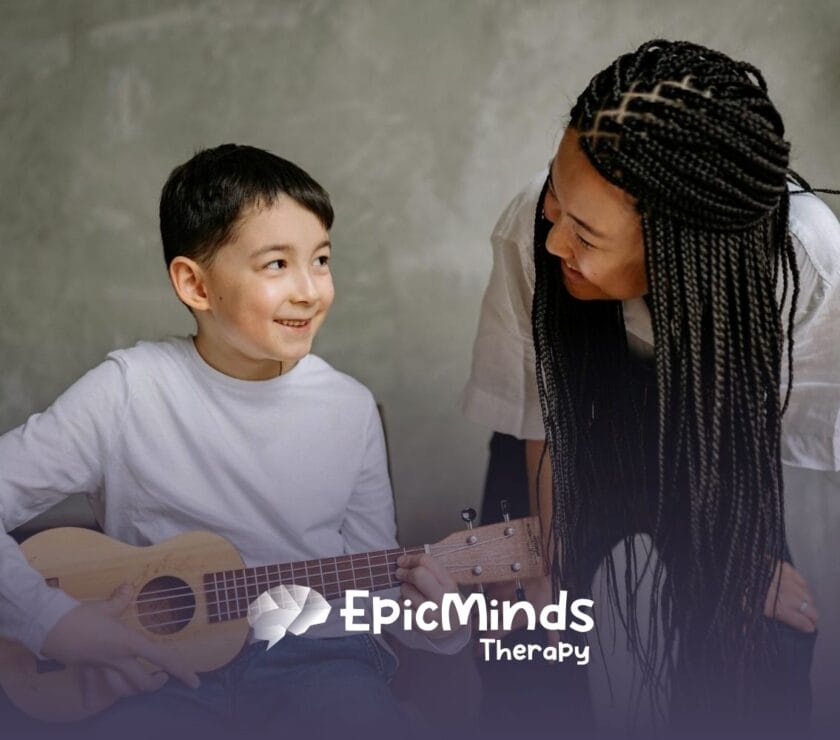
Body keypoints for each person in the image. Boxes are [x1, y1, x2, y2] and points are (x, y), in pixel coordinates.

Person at [0, 144, 466, 740]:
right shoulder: (127, 390)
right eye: (276, 264)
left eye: (321, 260)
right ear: (194, 283)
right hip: (155, 670)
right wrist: (54, 623)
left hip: (317, 661)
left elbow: (371, 582)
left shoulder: (349, 408)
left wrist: (438, 624)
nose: (309, 290)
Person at [462, 39, 840, 736]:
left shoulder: (805, 260)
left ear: (678, 246)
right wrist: (550, 552)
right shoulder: (532, 227)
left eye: (585, 233)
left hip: (715, 451)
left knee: (761, 653)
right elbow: (536, 410)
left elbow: (791, 430)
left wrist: (744, 553)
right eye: (557, 197)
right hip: (564, 437)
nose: (555, 240)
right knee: (519, 642)